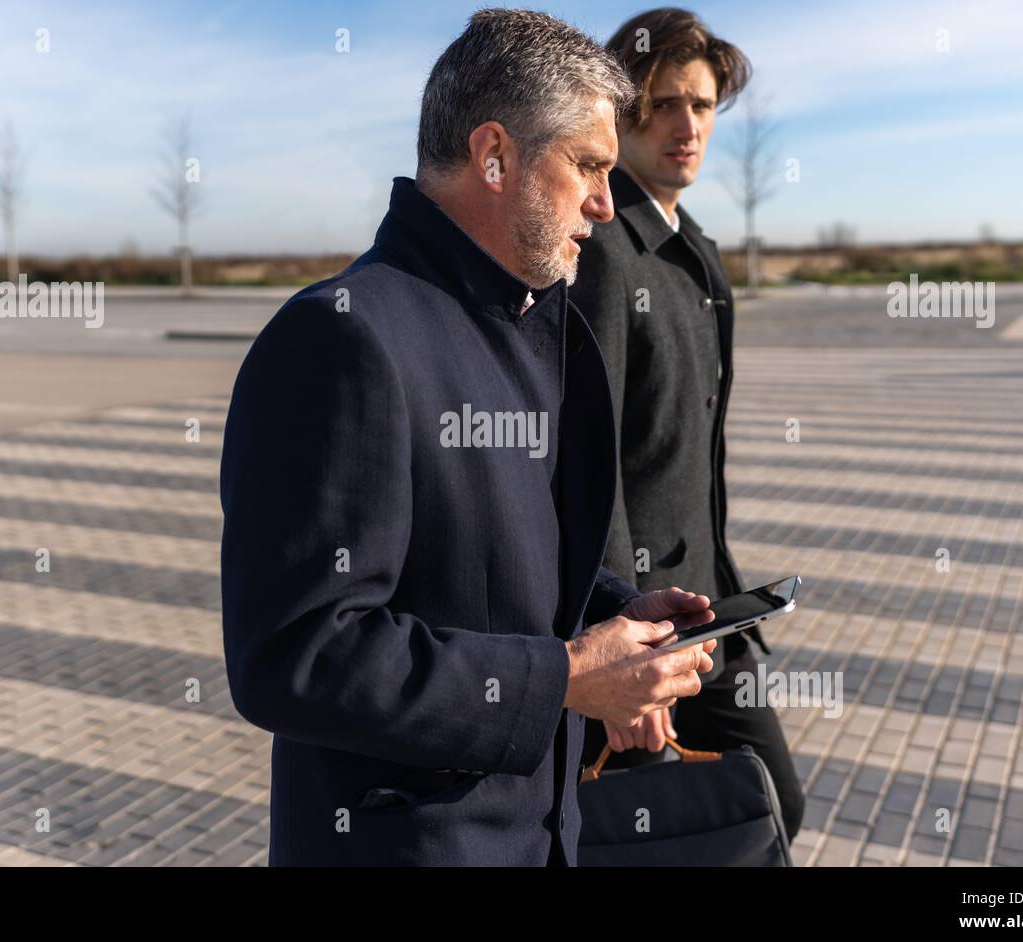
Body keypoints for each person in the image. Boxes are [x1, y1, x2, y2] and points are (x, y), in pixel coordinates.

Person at [219, 8, 719, 866]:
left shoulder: (533, 322)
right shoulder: (343, 339)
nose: (606, 202)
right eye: (589, 168)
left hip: (543, 835)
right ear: (494, 155)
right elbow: (295, 654)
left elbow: (492, 566)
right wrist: (566, 680)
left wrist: (612, 613)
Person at [572, 7, 805, 841]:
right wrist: (616, 644)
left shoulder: (693, 246)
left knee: (766, 808)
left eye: (702, 107)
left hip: (707, 607)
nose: (687, 126)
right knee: (667, 832)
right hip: (638, 619)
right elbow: (581, 455)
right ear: (619, 110)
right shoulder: (604, 249)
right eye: (663, 103)